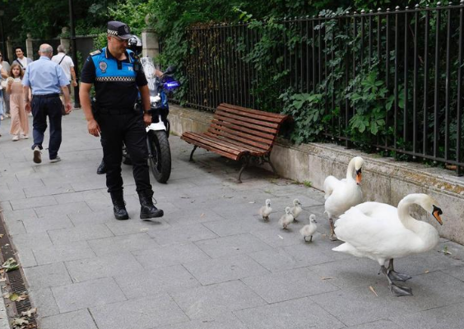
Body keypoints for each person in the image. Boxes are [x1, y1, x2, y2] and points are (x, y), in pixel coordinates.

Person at [79, 21, 164, 221]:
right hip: (107, 120)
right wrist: (90, 120)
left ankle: (147, 204)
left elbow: (143, 87)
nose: (125, 44)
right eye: (121, 40)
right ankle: (118, 204)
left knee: (140, 159)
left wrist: (147, 112)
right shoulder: (95, 60)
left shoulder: (133, 60)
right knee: (113, 163)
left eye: (127, 40)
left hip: (132, 117)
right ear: (110, 38)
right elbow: (83, 91)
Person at [22, 44, 72, 164]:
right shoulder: (55, 66)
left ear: (39, 53)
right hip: (53, 99)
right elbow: (64, 86)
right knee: (55, 126)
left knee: (38, 125)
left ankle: (37, 145)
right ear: (51, 53)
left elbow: (25, 86)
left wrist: (27, 101)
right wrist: (67, 102)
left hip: (37, 99)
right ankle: (53, 155)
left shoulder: (30, 66)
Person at [7, 63, 29, 141]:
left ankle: (24, 132)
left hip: (22, 98)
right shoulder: (10, 79)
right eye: (14, 69)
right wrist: (9, 85)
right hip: (13, 99)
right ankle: (16, 133)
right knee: (14, 116)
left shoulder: (23, 78)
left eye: (17, 69)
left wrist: (28, 98)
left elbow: (27, 89)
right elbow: (8, 92)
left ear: (20, 70)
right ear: (11, 70)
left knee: (23, 115)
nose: (16, 71)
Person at [0, 52, 11, 119]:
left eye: (0, 55)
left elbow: (6, 74)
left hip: (3, 83)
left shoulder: (4, 64)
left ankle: (3, 113)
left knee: (5, 99)